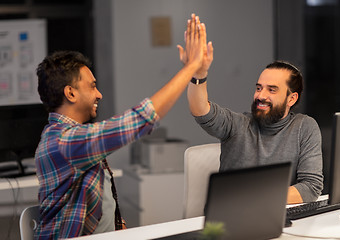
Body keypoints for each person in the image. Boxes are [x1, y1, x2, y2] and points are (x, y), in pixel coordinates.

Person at [34, 14, 209, 239]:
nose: (99, 94)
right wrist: (191, 67)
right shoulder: (64, 141)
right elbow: (139, 120)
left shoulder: (71, 137)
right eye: (92, 86)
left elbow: (100, 201)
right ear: (70, 93)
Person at [180, 37, 323, 203]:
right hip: (229, 221)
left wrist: (254, 197)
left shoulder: (304, 127)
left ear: (291, 99)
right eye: (258, 88)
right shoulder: (237, 125)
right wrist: (199, 74)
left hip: (277, 218)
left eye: (272, 90)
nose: (261, 96)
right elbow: (201, 110)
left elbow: (311, 187)